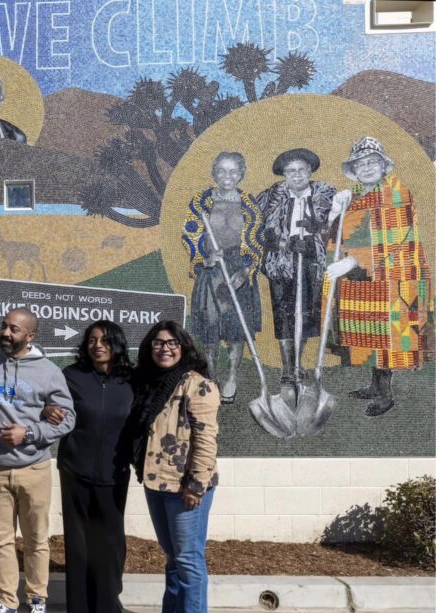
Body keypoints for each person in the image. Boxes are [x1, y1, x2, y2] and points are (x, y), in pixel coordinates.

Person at [0, 308, 75, 613]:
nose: (6, 333)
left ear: (30, 336)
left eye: (14, 329)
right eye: (4, 326)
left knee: (36, 540)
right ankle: (7, 602)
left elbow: (68, 419)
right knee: (0, 541)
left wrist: (29, 432)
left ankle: (38, 601)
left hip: (34, 467)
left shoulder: (49, 371)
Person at [131, 320, 220, 613]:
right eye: (157, 342)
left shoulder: (198, 387)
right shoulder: (152, 385)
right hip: (157, 481)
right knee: (173, 557)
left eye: (171, 343)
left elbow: (205, 440)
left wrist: (196, 485)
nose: (164, 348)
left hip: (186, 488)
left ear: (183, 348)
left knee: (188, 559)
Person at [332, 136, 432, 416]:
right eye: (360, 164)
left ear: (383, 165)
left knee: (388, 333)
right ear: (354, 169)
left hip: (395, 276)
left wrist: (353, 259)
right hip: (366, 277)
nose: (366, 168)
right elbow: (344, 235)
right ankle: (375, 384)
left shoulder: (396, 192)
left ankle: (385, 394)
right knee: (371, 333)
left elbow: (395, 238)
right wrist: (335, 211)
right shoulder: (355, 195)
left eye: (372, 162)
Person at [55, 320, 134, 613]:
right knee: (82, 543)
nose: (97, 344)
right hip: (75, 469)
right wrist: (50, 411)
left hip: (114, 473)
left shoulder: (132, 379)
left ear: (116, 344)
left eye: (104, 339)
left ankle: (110, 606)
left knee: (112, 543)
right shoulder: (72, 376)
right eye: (91, 339)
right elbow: (54, 405)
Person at [181, 151, 264, 403]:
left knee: (237, 327)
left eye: (233, 172)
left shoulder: (249, 205)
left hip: (238, 269)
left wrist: (245, 269)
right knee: (210, 326)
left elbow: (257, 241)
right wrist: (204, 257)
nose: (227, 176)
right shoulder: (201, 201)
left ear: (241, 174)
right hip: (211, 270)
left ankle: (231, 378)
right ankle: (212, 377)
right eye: (222, 171)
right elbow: (190, 233)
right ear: (214, 173)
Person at [255, 148, 339, 398]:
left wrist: (318, 234)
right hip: (280, 263)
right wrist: (282, 244)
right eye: (291, 171)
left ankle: (298, 363)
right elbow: (254, 228)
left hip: (313, 262)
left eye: (302, 170)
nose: (297, 175)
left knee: (306, 314)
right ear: (284, 175)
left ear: (310, 171)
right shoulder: (270, 196)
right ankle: (287, 368)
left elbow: (339, 227)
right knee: (284, 314)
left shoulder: (326, 195)